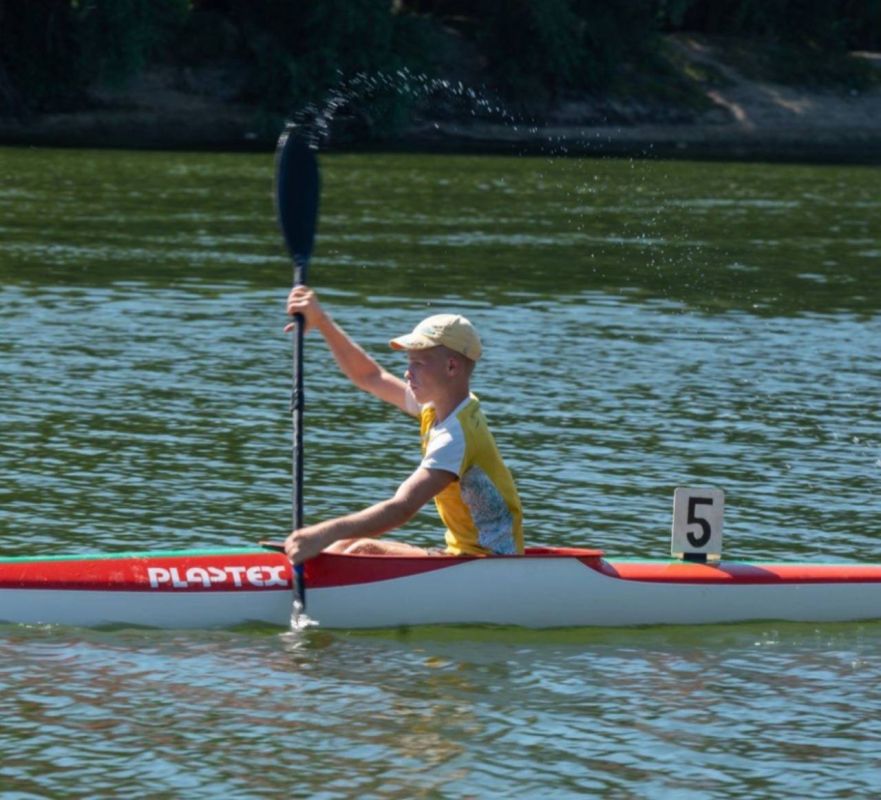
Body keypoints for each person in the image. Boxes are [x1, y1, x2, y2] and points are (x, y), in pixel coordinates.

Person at [282, 286, 523, 565]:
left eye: (418, 362)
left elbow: (402, 508)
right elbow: (371, 376)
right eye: (409, 362)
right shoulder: (442, 404)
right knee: (346, 543)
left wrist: (320, 533)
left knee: (357, 549)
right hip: (465, 557)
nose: (408, 372)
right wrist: (322, 322)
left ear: (452, 368)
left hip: (494, 564)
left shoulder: (455, 437)